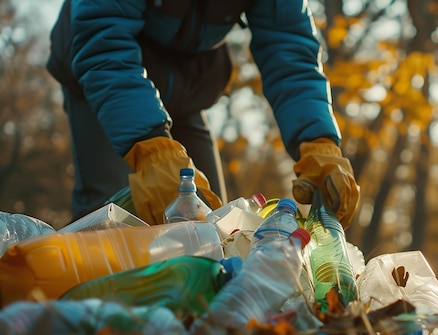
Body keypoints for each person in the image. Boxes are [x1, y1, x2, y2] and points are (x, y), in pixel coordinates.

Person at [46, 0, 360, 228]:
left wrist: (318, 143)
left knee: (215, 227)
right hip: (103, 72)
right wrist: (148, 145)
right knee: (109, 218)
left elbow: (289, 49)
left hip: (185, 86)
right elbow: (103, 38)